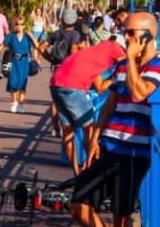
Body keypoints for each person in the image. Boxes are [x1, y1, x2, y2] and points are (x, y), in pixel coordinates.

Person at [74, 11, 160, 227]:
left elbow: (141, 92)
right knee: (78, 205)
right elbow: (111, 102)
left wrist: (131, 59)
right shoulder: (120, 66)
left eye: (131, 32)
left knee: (120, 219)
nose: (125, 37)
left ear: (148, 36)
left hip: (135, 151)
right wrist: (94, 138)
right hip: (110, 146)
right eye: (124, 31)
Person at [49, 19, 124, 176]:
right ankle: (90, 172)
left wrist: (112, 77)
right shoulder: (115, 49)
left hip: (56, 83)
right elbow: (126, 67)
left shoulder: (95, 51)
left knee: (68, 133)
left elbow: (100, 86)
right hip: (73, 86)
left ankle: (77, 174)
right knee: (89, 129)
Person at [3, 18, 35, 114]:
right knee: (13, 82)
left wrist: (32, 37)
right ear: (14, 25)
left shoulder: (27, 36)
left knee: (22, 84)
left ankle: (21, 104)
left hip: (24, 61)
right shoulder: (11, 36)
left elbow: (35, 46)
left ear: (24, 26)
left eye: (21, 24)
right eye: (17, 24)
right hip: (14, 61)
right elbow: (2, 45)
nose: (19, 26)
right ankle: (14, 102)